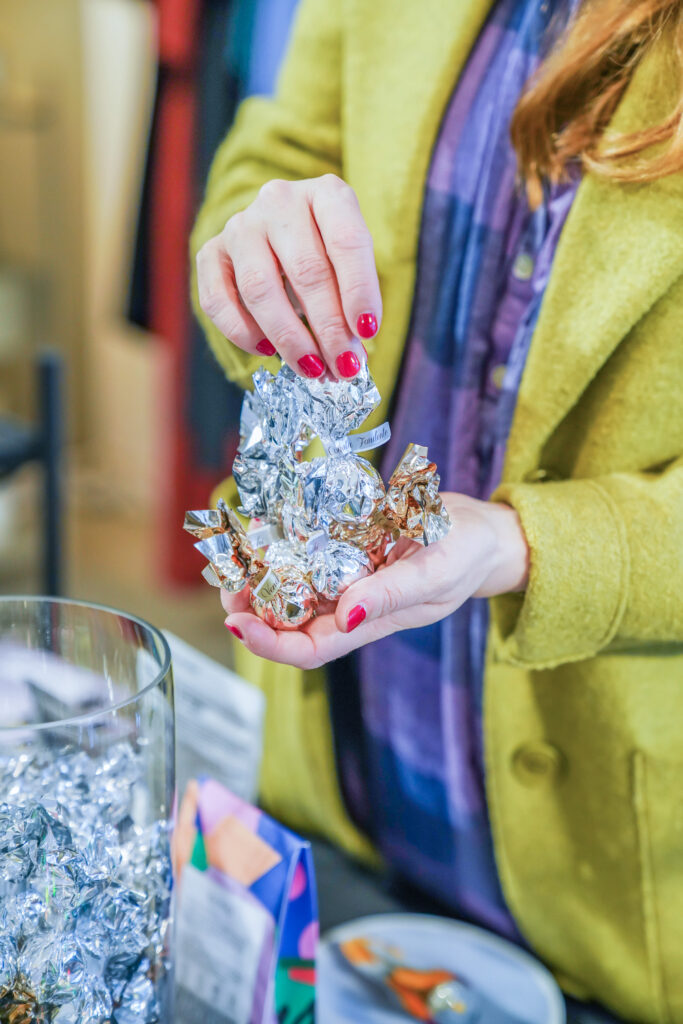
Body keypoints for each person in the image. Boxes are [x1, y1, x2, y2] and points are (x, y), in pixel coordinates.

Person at [190, 0, 683, 1020]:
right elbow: (273, 151)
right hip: (342, 780)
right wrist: (256, 254)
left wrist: (521, 546)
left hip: (618, 884)